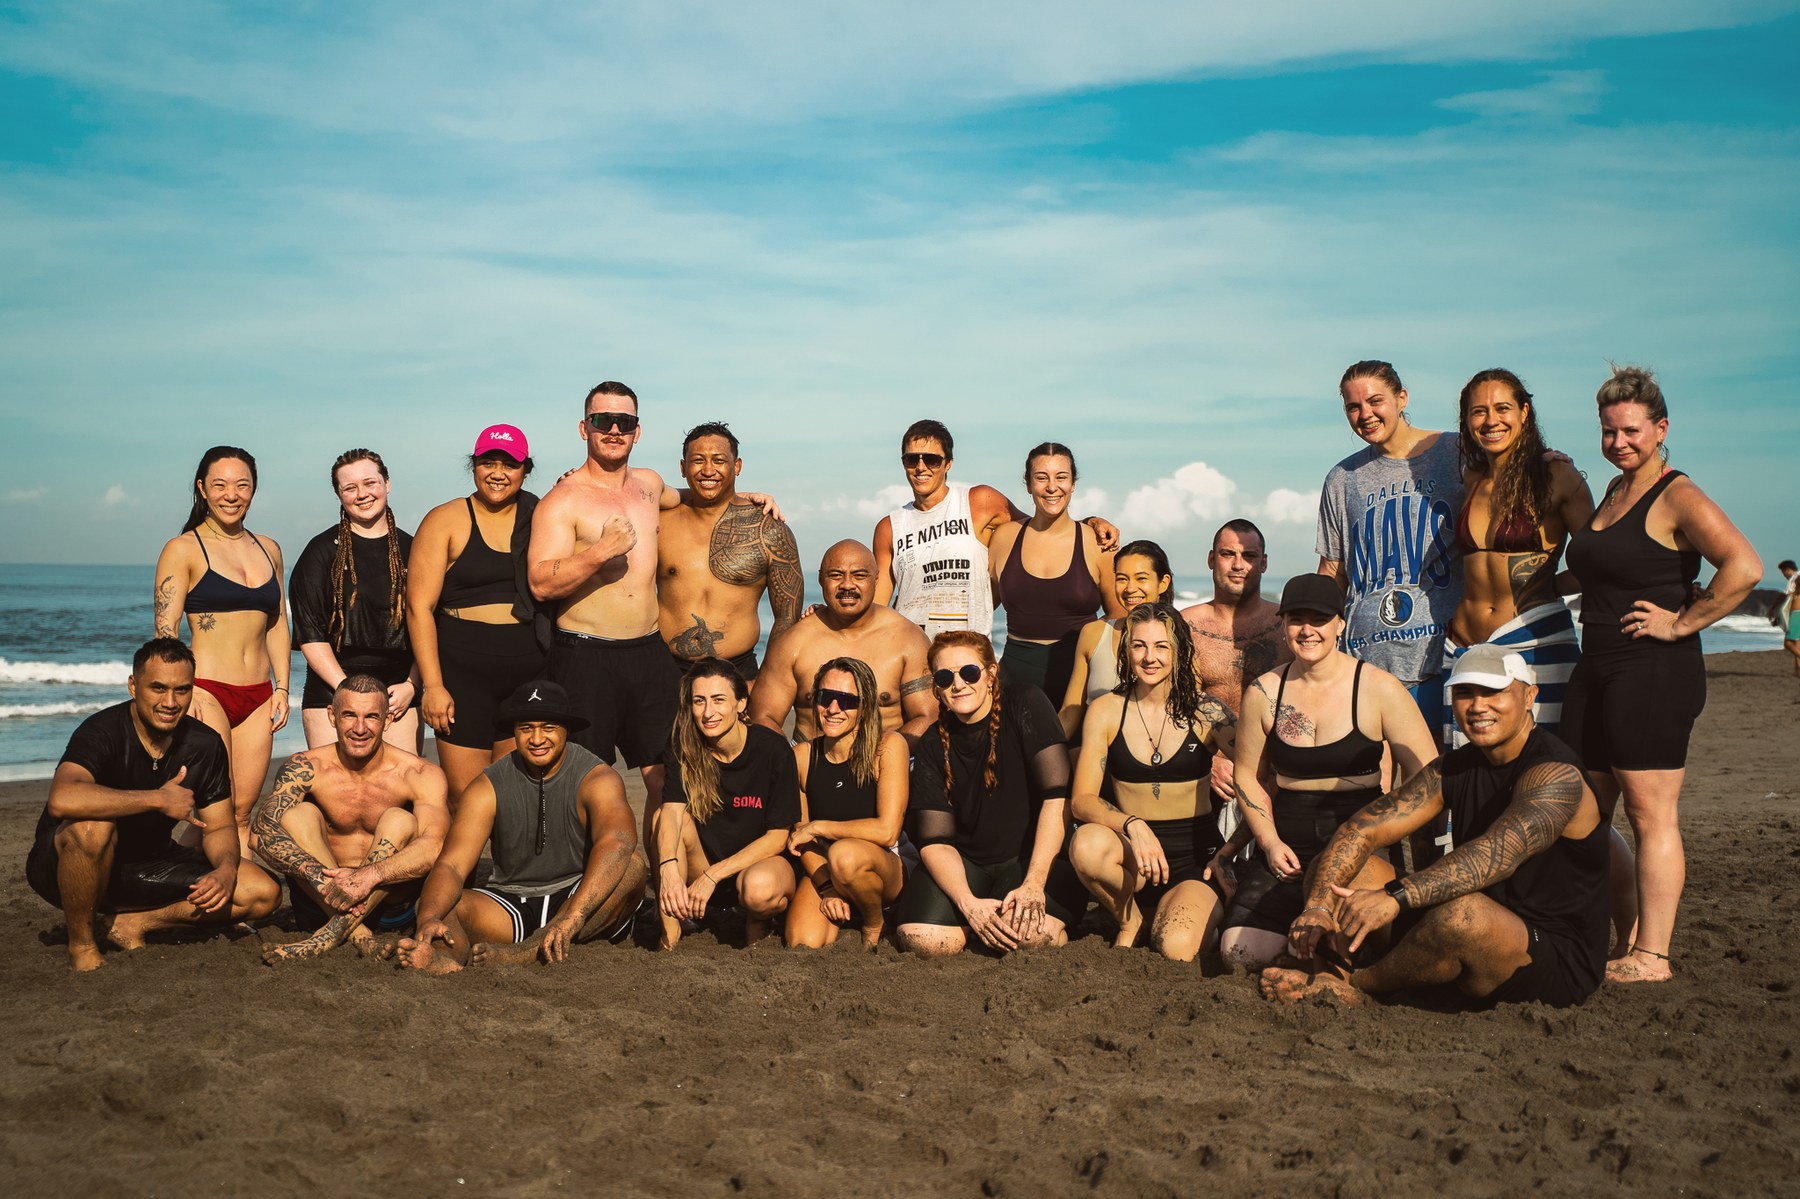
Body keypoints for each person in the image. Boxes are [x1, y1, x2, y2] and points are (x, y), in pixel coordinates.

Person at [1260, 645, 1610, 1009]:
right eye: (1464, 693)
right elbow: (1362, 830)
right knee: (1336, 868)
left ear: (1529, 697)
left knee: (1462, 914)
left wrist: (1394, 896)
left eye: (1493, 692)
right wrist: (1317, 906)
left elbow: (1494, 856)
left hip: (1550, 956)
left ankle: (1361, 987)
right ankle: (1332, 978)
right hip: (1464, 922)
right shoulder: (1454, 768)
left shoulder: (1557, 775)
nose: (1477, 706)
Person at [1561, 365, 1762, 983]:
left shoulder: (1676, 494)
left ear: (1660, 428)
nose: (1618, 442)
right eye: (1608, 432)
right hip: (1595, 664)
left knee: (1651, 817)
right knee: (1583, 810)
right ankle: (1618, 938)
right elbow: (1604, 571)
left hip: (1652, 670)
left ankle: (1653, 955)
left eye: (1630, 430)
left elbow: (1744, 566)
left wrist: (1681, 622)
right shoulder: (1613, 492)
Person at [528, 382, 781, 850]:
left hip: (648, 654)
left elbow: (700, 493)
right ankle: (584, 883)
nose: (614, 430)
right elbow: (541, 582)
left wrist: (744, 496)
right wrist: (598, 553)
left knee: (669, 775)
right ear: (585, 427)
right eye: (603, 421)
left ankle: (658, 884)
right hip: (586, 654)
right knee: (586, 778)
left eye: (624, 422)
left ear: (637, 431)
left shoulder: (648, 485)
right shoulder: (562, 499)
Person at [1218, 574, 1439, 970]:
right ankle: (1303, 941)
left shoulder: (1379, 689)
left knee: (1354, 952)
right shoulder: (1264, 693)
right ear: (1283, 625)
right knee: (1238, 954)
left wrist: (1398, 843)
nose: (1307, 631)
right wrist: (1268, 844)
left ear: (1340, 623)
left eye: (1318, 620)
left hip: (1359, 841)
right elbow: (1248, 777)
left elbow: (1429, 775)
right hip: (1288, 845)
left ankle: (1317, 952)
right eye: (1296, 620)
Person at [25, 638, 281, 971]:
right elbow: (62, 799)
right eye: (158, 688)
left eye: (182, 690)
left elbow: (219, 825)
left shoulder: (205, 744)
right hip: (67, 866)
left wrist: (226, 869)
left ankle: (134, 923)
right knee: (92, 827)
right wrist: (157, 799)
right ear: (134, 686)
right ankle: (83, 946)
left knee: (262, 891)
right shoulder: (102, 731)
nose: (171, 702)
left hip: (150, 865)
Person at [394, 681, 646, 973]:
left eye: (548, 727)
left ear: (566, 728)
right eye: (526, 728)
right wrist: (428, 917)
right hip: (512, 902)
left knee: (632, 866)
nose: (537, 738)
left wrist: (574, 915)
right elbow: (451, 865)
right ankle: (444, 960)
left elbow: (618, 839)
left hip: (580, 897)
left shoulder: (596, 776)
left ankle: (529, 951)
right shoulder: (488, 785)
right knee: (441, 905)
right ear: (514, 731)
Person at [892, 632, 1088, 957]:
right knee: (922, 940)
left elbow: (1058, 798)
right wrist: (967, 904)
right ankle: (979, 920)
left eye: (969, 672)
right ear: (936, 688)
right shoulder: (930, 743)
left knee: (1024, 940)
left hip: (1033, 857)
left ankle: (1045, 921)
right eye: (945, 677)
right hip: (970, 863)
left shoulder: (1025, 703)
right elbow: (935, 840)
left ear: (991, 673)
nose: (958, 684)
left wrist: (1034, 885)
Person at [1069, 604, 1238, 960]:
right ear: (1126, 650)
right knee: (1086, 845)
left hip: (1196, 861)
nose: (1150, 657)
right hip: (1134, 861)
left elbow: (1262, 778)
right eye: (1139, 646)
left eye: (1161, 646)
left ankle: (1193, 917)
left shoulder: (1207, 713)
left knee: (1174, 948)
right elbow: (1082, 800)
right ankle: (1130, 920)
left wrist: (1230, 851)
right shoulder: (1106, 710)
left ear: (1179, 650)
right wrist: (1133, 825)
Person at [250, 675, 451, 963]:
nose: (360, 728)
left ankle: (334, 933)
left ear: (388, 720)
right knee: (299, 815)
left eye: (371, 716)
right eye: (349, 715)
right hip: (321, 902)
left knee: (400, 820)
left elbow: (435, 846)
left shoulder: (419, 773)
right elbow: (260, 833)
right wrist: (323, 882)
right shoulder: (305, 767)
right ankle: (357, 934)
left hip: (389, 910)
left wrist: (366, 878)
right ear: (332, 716)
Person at [1441, 370, 1593, 747]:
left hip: (1534, 640)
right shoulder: (1471, 476)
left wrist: (1552, 585)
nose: (1491, 420)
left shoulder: (1556, 475)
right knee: (1468, 770)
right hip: (1463, 645)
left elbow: (1600, 559)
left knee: (1544, 762)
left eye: (1502, 408)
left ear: (1525, 412)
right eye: (1478, 412)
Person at [153, 446, 291, 852]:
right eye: (220, 485)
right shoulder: (183, 549)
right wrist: (183, 690)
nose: (231, 494)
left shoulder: (270, 548)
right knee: (217, 807)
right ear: (202, 489)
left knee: (242, 813)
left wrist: (282, 688)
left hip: (259, 696)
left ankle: (227, 904)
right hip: (207, 690)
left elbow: (278, 622)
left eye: (241, 485)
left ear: (253, 490)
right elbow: (165, 633)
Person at [1315, 361, 1462, 737]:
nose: (1365, 414)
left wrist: (1546, 460)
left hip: (1440, 662)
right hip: (1364, 668)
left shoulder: (1455, 452)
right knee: (1373, 792)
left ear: (1402, 398)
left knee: (1443, 785)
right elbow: (1332, 571)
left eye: (1375, 401)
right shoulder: (1342, 478)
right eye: (1353, 407)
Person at [408, 424, 550, 806]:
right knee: (465, 797)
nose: (498, 474)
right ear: (474, 466)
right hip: (463, 676)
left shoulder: (541, 515)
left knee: (514, 795)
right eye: (488, 463)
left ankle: (511, 868)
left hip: (526, 674)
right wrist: (433, 686)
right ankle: (462, 869)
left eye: (510, 465)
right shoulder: (446, 519)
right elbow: (418, 607)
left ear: (526, 469)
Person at [873, 419, 1118, 640]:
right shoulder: (890, 527)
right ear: (904, 463)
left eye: (932, 459)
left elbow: (1042, 526)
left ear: (948, 463)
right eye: (911, 459)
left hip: (970, 654)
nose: (921, 466)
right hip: (912, 648)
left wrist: (1090, 523)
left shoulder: (980, 502)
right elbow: (877, 609)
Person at [654, 660, 800, 949]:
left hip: (756, 869)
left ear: (741, 703)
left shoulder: (773, 749)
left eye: (719, 700)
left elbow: (778, 837)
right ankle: (668, 940)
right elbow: (671, 812)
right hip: (702, 869)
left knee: (759, 890)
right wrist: (668, 869)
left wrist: (714, 874)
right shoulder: (683, 745)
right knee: (662, 817)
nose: (708, 713)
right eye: (699, 701)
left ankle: (757, 924)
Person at [290, 449, 419, 753]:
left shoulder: (414, 548)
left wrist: (412, 685)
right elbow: (310, 634)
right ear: (339, 495)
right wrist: (345, 690)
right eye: (350, 488)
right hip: (332, 687)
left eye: (370, 483)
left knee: (399, 794)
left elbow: (429, 623)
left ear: (387, 483)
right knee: (332, 795)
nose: (362, 494)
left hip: (398, 691)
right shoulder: (320, 552)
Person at [749, 541, 938, 746]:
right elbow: (763, 716)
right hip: (810, 768)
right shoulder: (793, 642)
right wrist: (793, 764)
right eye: (836, 575)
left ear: (876, 579)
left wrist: (878, 760)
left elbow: (928, 717)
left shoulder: (908, 639)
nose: (847, 585)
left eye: (859, 575)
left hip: (884, 765)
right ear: (821, 579)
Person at [657, 421, 803, 681]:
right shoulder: (659, 523)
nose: (708, 470)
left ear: (737, 466)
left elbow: (786, 618)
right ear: (683, 468)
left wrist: (766, 680)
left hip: (739, 671)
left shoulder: (769, 529)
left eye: (719, 460)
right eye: (698, 460)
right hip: (664, 669)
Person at [784, 657, 912, 949]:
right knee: (802, 941)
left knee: (845, 855)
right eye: (825, 697)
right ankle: (844, 904)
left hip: (885, 865)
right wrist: (828, 888)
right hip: (827, 866)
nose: (833, 709)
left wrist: (819, 827)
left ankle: (874, 920)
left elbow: (887, 831)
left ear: (864, 706)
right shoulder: (802, 757)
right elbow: (801, 838)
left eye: (846, 701)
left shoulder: (888, 747)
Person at [988, 443, 1123, 702]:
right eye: (1041, 478)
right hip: (1014, 681)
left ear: (1073, 484)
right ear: (1027, 484)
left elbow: (1118, 617)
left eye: (1062, 477)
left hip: (1080, 681)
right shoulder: (1005, 538)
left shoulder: (1097, 544)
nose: (1052, 487)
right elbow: (982, 608)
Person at [1179, 519, 1290, 800]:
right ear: (1211, 559)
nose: (1238, 565)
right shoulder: (1183, 627)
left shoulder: (1287, 627)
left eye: (1249, 556)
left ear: (1263, 563)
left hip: (1276, 779)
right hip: (1206, 774)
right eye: (1228, 554)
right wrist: (1209, 762)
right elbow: (1170, 706)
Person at [1060, 539, 1175, 740]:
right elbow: (1070, 713)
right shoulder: (1093, 633)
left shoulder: (1178, 637)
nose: (1130, 588)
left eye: (1141, 579)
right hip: (1097, 754)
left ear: (1163, 583)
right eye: (1122, 579)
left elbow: (1188, 710)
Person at [1780, 560, 1799, 677]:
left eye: (1783, 572)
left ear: (1787, 570)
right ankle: (1797, 671)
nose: (1784, 575)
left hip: (1797, 613)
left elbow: (1789, 594)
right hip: (1797, 613)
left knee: (1788, 644)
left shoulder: (1796, 577)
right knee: (1797, 643)